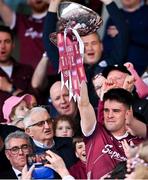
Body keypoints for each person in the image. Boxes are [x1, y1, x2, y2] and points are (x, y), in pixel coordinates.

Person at [35, 0, 128, 111]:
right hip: (82, 124)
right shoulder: (70, 68)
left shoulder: (113, 61)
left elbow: (124, 33)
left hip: (109, 117)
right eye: (84, 45)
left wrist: (108, 2)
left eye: (94, 43)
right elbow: (48, 41)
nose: (89, 48)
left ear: (101, 45)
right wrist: (54, 3)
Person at [78, 83, 148, 179]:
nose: (109, 115)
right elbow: (84, 105)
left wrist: (134, 157)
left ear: (128, 113)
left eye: (116, 111)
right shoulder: (96, 132)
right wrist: (77, 73)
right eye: (106, 110)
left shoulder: (140, 143)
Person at [0, 0, 55, 75]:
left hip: (54, 77)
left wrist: (53, 2)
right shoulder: (20, 20)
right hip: (26, 79)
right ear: (27, 1)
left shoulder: (57, 18)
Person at [103, 0, 148, 75]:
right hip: (114, 69)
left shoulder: (146, 12)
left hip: (140, 69)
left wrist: (123, 31)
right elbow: (106, 43)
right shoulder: (115, 14)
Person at [0, 25, 34, 122]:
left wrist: (10, 88)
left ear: (13, 45)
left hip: (25, 127)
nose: (2, 46)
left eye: (7, 41)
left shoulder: (27, 70)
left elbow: (33, 102)